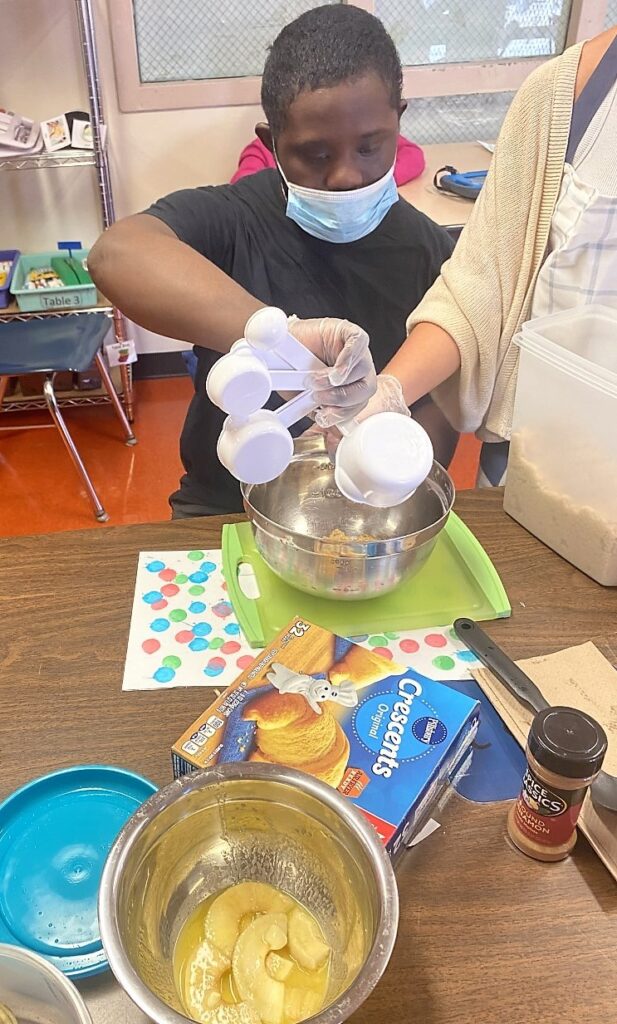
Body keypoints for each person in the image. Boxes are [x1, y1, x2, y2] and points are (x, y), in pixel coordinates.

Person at [88, 4, 457, 518]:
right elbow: (116, 254)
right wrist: (272, 334)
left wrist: (397, 469)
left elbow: (442, 403)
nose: (347, 175)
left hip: (371, 513)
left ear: (399, 121)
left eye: (371, 147)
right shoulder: (238, 218)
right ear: (273, 144)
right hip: (225, 504)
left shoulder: (430, 251)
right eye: (317, 155)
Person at [319, 26, 617, 486]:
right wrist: (389, 392)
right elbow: (479, 289)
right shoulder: (565, 93)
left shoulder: (415, 238)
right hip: (538, 460)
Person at [230, 132, 426, 186]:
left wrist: (377, 185)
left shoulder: (361, 135)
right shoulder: (261, 149)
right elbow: (243, 183)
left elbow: (412, 155)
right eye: (318, 156)